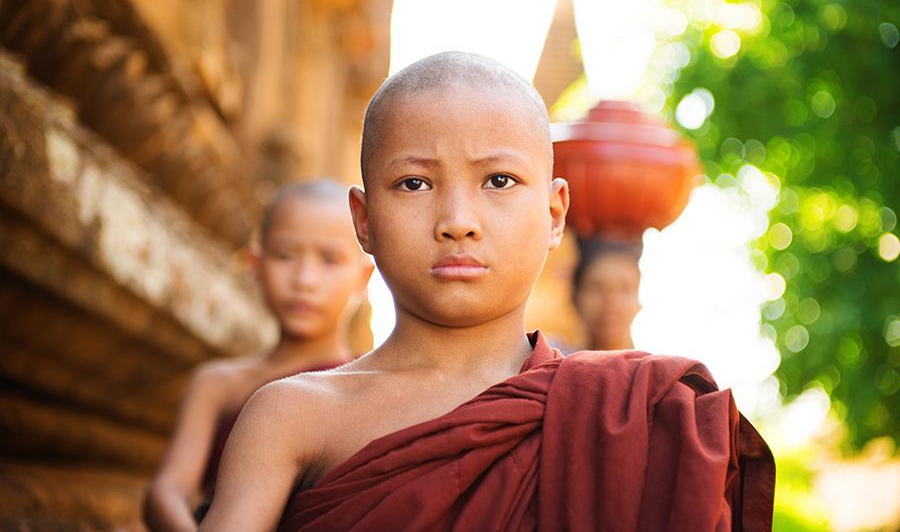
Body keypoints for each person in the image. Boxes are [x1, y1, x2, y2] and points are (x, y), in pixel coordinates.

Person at [200, 52, 775, 531]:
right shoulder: (295, 415)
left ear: (554, 215)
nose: (458, 221)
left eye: (499, 181)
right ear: (364, 220)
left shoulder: (635, 417)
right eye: (414, 183)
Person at [143, 179, 374, 531]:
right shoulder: (220, 383)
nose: (305, 280)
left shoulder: (370, 386)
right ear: (256, 266)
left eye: (329, 260)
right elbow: (167, 491)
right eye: (286, 256)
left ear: (363, 277)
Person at [572, 237, 643, 351]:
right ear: (575, 297)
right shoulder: (553, 358)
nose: (611, 301)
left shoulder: (660, 361)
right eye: (597, 288)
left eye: (625, 288)